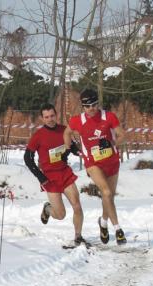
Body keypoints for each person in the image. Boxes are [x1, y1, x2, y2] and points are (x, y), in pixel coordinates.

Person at [63, 89, 127, 245]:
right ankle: (118, 229)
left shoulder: (108, 117)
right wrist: (69, 147)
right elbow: (67, 133)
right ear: (83, 107)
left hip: (112, 162)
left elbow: (123, 136)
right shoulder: (78, 121)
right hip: (93, 163)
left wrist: (112, 143)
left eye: (93, 105)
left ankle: (103, 223)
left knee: (109, 196)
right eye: (86, 106)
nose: (90, 109)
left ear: (97, 104)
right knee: (105, 192)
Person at [24, 103, 87, 246]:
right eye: (46, 117)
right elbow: (27, 158)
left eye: (52, 116)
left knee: (77, 206)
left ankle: (78, 237)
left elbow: (72, 147)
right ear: (42, 118)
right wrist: (41, 177)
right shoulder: (38, 136)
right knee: (60, 215)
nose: (50, 119)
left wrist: (78, 153)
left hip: (65, 173)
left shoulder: (64, 130)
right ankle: (47, 208)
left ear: (56, 115)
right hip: (49, 178)